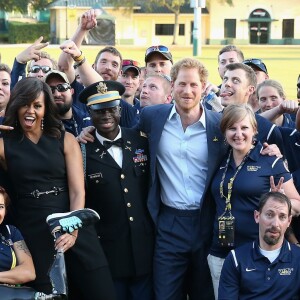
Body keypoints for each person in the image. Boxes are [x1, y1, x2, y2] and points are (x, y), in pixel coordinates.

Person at [0, 77, 116, 300]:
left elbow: (77, 191)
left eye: (37, 105)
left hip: (72, 220)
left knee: (100, 290)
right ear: (16, 105)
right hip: (34, 228)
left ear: (46, 108)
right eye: (25, 104)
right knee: (49, 293)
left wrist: (73, 229)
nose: (30, 111)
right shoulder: (5, 145)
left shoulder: (65, 139)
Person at [137, 57, 227, 300]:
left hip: (206, 222)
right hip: (168, 223)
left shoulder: (219, 125)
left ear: (204, 86)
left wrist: (270, 150)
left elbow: (247, 139)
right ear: (173, 85)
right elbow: (124, 136)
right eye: (182, 84)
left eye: (194, 85)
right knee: (165, 294)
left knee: (205, 294)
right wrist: (88, 131)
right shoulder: (152, 117)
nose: (187, 91)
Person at [207, 104, 300, 299]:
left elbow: (297, 203)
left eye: (244, 128)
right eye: (232, 128)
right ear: (224, 131)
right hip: (221, 251)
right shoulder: (219, 159)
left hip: (256, 256)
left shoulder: (271, 160)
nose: (238, 134)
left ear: (255, 130)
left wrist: (279, 201)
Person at [79, 80, 154, 300]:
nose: (106, 115)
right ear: (89, 112)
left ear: (120, 109)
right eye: (99, 110)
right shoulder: (81, 150)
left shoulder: (140, 140)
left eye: (112, 108)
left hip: (144, 248)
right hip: (108, 251)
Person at [218, 192, 300, 300]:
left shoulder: (298, 258)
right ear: (257, 216)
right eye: (269, 215)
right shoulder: (235, 259)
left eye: (282, 217)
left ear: (289, 221)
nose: (275, 224)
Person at [219, 63, 285, 154]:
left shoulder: (267, 129)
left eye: (235, 80)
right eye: (225, 79)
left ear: (250, 90)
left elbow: (283, 163)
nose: (227, 84)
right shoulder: (210, 121)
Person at [44, 70, 92, 137]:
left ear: (71, 91)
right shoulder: (41, 125)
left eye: (62, 87)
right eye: (50, 89)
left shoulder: (88, 118)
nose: (57, 94)